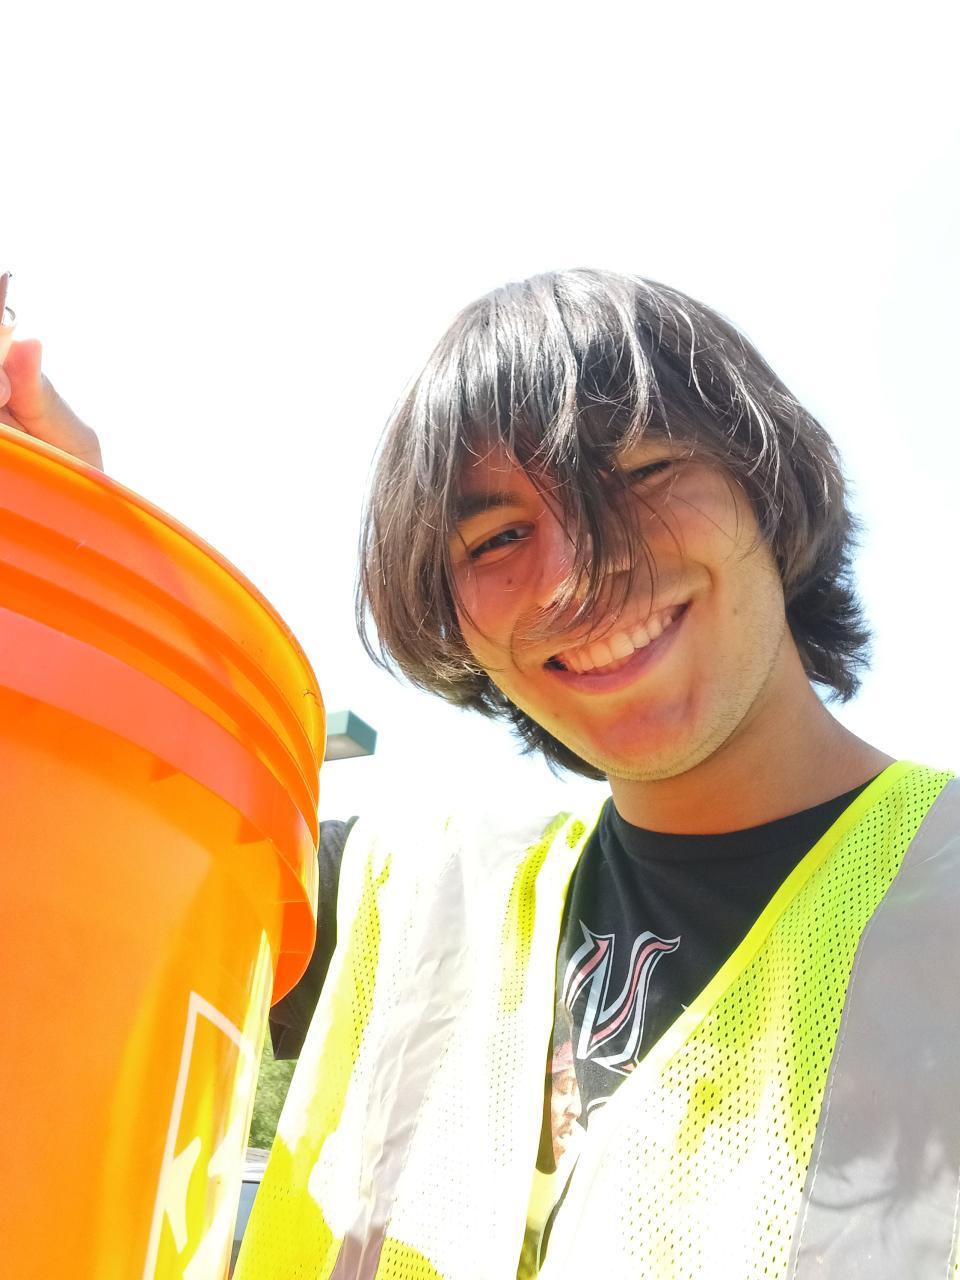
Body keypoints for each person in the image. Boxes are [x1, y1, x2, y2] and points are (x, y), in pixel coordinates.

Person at [6, 271, 957, 1278]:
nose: (575, 578)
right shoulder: (406, 896)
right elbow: (82, 843)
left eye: (639, 474)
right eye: (499, 536)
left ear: (767, 482)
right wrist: (64, 543)